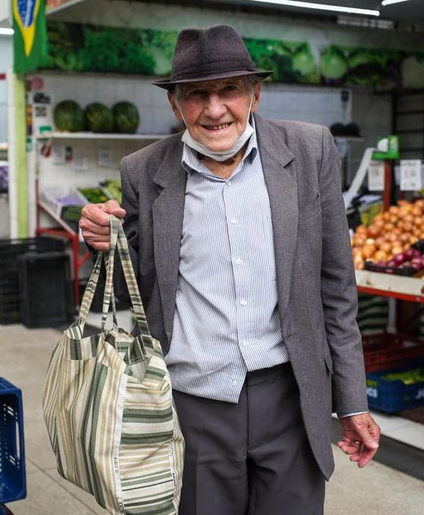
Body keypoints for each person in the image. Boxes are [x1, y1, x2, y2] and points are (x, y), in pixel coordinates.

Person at [79, 24, 379, 515]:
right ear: (176, 105)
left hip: (291, 394)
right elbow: (132, 291)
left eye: (229, 90)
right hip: (192, 403)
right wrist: (100, 242)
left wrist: (352, 401)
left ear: (254, 94)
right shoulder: (143, 170)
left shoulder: (309, 151)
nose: (215, 109)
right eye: (197, 95)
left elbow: (336, 287)